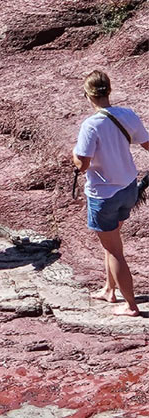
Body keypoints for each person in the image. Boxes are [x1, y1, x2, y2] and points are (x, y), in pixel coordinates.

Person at [72, 69, 149, 317]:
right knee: (112, 242)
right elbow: (147, 144)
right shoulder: (126, 114)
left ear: (87, 95)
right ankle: (109, 289)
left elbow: (82, 164)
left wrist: (74, 156)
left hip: (103, 195)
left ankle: (131, 306)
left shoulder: (91, 125)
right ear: (109, 90)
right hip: (128, 189)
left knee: (115, 250)